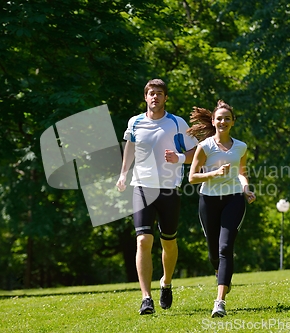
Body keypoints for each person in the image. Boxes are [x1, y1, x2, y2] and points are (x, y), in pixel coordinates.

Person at [116, 79, 197, 315]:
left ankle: (166, 282)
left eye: (159, 94)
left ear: (165, 98)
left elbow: (195, 153)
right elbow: (129, 146)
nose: (155, 97)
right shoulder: (135, 122)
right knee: (143, 240)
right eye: (151, 94)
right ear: (145, 97)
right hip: (142, 186)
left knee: (168, 242)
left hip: (169, 189)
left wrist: (179, 158)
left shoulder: (176, 123)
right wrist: (123, 174)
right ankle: (145, 298)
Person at [187, 100, 256, 318]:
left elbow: (241, 172)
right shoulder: (205, 146)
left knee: (225, 247)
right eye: (219, 118)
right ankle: (221, 274)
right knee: (213, 252)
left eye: (227, 118)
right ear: (213, 121)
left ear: (233, 122)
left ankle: (219, 301)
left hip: (233, 199)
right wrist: (214, 174)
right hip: (208, 200)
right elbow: (192, 177)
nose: (223, 121)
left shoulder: (241, 147)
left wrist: (246, 189)